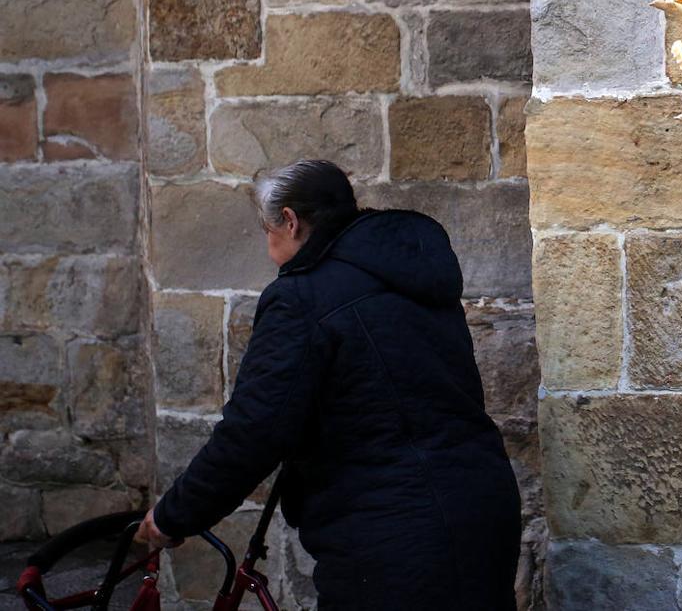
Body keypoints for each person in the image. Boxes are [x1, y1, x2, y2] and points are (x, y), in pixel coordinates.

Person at [135, 160, 521, 610]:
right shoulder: (410, 273)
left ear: (291, 222)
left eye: (267, 229)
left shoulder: (301, 298)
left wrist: (172, 516)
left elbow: (252, 431)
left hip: (392, 532)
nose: (267, 244)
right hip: (482, 503)